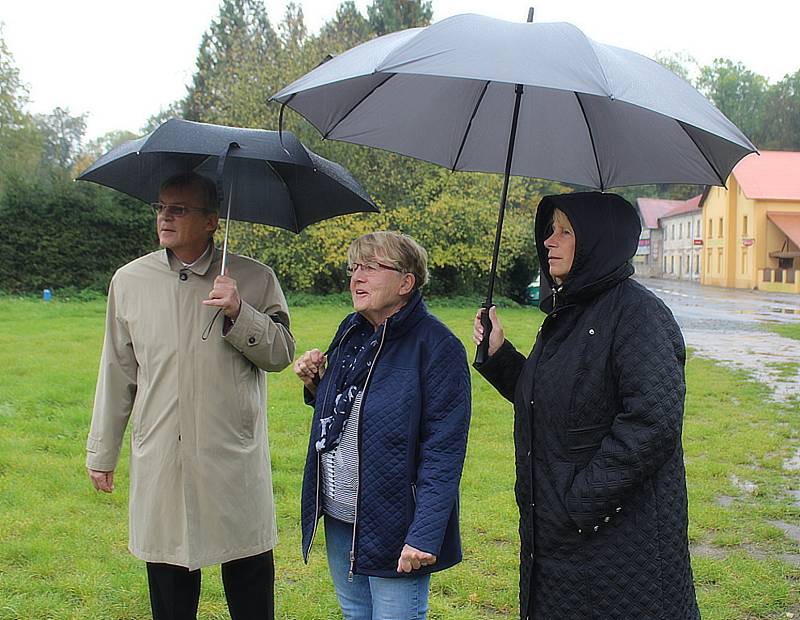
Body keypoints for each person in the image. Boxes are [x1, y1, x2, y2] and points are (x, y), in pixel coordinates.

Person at [473, 192, 700, 620]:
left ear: (598, 241)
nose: (548, 241)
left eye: (565, 231)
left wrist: (580, 502)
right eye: (549, 230)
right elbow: (554, 399)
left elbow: (654, 421)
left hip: (618, 540)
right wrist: (500, 354)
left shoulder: (639, 315)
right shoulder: (568, 313)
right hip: (560, 543)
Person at [86, 172, 295, 620]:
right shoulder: (129, 281)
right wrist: (102, 451)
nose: (165, 216)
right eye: (161, 207)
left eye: (178, 209)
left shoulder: (254, 278)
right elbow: (117, 370)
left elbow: (280, 355)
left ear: (211, 221)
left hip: (231, 458)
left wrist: (241, 311)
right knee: (169, 586)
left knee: (250, 582)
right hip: (163, 455)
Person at [293, 231, 471, 620]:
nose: (357, 277)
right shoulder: (353, 330)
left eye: (371, 267)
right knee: (355, 613)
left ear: (406, 282)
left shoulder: (438, 347)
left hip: (396, 520)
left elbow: (444, 450)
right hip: (342, 515)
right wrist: (316, 384)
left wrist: (424, 534)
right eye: (354, 267)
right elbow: (351, 410)